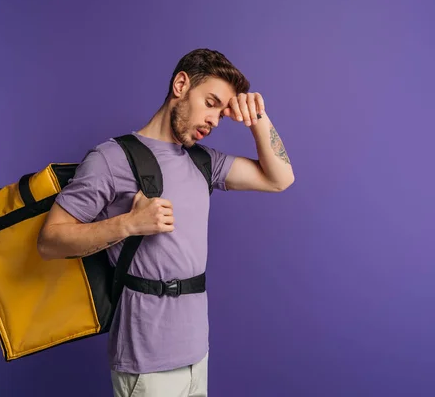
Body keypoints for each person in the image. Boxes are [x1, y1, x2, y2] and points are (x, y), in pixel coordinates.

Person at [36, 48, 295, 397]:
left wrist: (257, 117)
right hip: (146, 363)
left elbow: (280, 179)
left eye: (222, 112)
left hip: (196, 353)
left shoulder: (204, 162)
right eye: (211, 102)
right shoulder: (111, 158)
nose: (214, 121)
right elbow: (49, 241)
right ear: (181, 84)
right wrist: (129, 223)